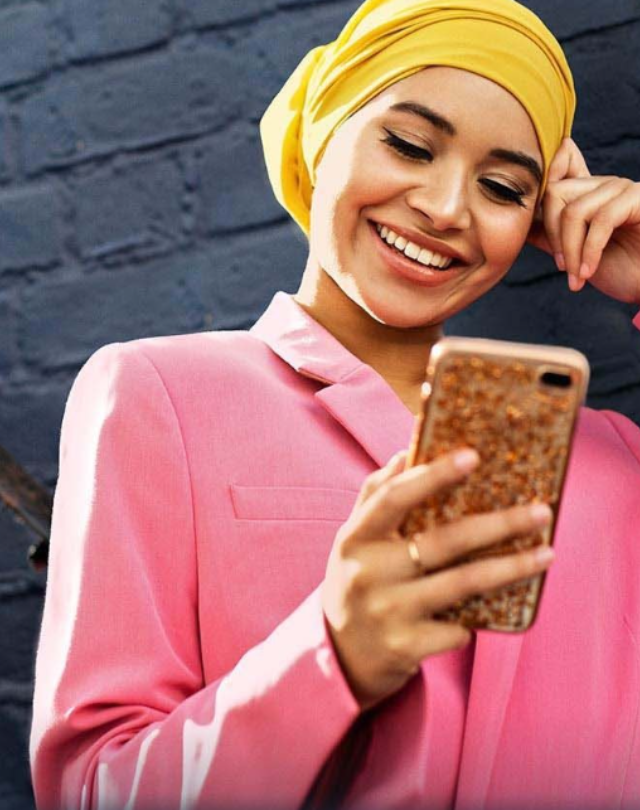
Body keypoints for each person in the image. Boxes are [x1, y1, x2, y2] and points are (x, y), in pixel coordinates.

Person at [29, 0, 640, 808]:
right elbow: (90, 789)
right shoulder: (157, 395)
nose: (448, 207)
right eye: (409, 144)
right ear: (323, 134)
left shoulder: (613, 459)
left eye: (500, 186)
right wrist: (332, 653)